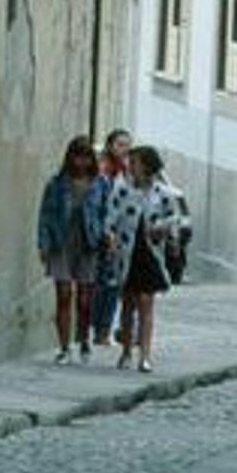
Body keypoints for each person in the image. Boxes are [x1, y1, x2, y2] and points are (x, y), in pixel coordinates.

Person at [102, 142, 180, 373]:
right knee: (128, 303)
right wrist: (110, 237)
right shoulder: (122, 190)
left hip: (150, 253)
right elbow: (110, 219)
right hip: (127, 254)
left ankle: (145, 355)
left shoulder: (162, 193)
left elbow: (173, 217)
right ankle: (126, 350)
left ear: (146, 166)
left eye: (134, 163)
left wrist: (162, 229)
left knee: (146, 302)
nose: (130, 166)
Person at [36, 134, 100, 362]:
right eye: (77, 156)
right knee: (63, 295)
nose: (81, 162)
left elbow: (107, 213)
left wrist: (107, 235)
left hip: (88, 242)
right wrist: (43, 244)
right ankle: (64, 347)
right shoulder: (56, 184)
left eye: (86, 157)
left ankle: (83, 340)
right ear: (70, 157)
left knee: (85, 299)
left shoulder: (99, 184)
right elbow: (45, 215)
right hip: (61, 242)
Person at [85, 128, 131, 345]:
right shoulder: (102, 171)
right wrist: (104, 233)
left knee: (112, 285)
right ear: (110, 145)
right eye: (120, 144)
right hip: (100, 235)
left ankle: (103, 330)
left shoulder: (124, 172)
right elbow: (96, 206)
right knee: (100, 285)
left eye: (127, 145)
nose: (124, 149)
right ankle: (96, 329)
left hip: (118, 237)